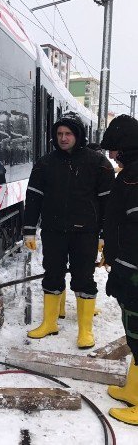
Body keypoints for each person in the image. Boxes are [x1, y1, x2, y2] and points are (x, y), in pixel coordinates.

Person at [23, 112, 114, 348]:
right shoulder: (45, 163)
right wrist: (29, 230)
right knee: (52, 274)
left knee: (84, 278)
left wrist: (105, 234)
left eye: (68, 134)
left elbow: (107, 202)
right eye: (60, 134)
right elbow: (33, 198)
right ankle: (49, 323)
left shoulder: (98, 163)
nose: (63, 138)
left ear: (78, 135)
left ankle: (85, 331)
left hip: (86, 232)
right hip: (54, 231)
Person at [99, 114, 138, 425]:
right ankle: (134, 392)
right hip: (129, 266)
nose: (110, 155)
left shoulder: (135, 177)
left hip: (135, 270)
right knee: (132, 330)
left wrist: (122, 268)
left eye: (113, 149)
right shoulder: (129, 174)